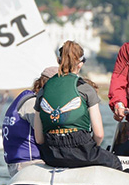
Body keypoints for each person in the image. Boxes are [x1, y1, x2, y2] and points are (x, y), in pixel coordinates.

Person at [34, 41, 122, 170]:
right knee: (114, 161)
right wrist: (91, 150)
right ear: (80, 64)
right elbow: (99, 135)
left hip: (51, 153)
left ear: (59, 61)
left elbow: (39, 139)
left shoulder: (43, 90)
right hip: (81, 148)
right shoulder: (85, 89)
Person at [2, 66, 58, 176]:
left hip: (18, 163)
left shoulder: (26, 98)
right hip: (29, 164)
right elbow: (47, 136)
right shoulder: (32, 104)